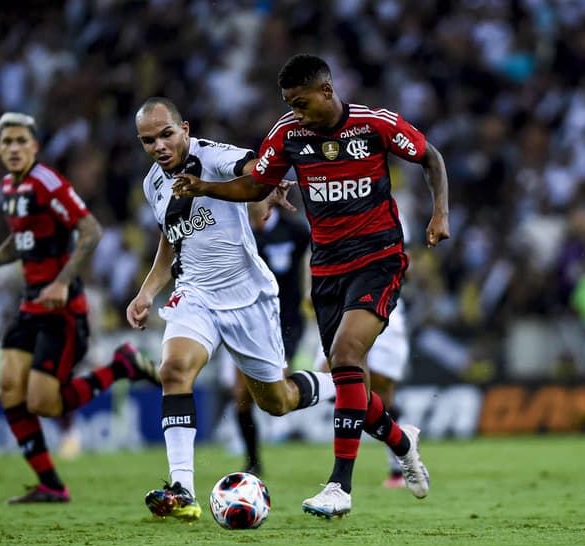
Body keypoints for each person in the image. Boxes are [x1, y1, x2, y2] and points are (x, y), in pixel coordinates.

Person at [173, 53, 450, 518]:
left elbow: (430, 156)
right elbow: (256, 185)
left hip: (378, 260)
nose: (295, 113)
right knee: (350, 380)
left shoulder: (373, 125)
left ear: (327, 91)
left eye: (301, 103)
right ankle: (402, 440)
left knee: (344, 358)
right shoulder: (288, 134)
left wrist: (439, 211)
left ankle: (339, 487)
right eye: (289, 104)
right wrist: (205, 188)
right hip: (326, 271)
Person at [126, 98, 335, 522]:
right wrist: (147, 291)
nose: (159, 146)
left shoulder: (213, 156)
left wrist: (269, 183)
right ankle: (182, 489)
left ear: (184, 128)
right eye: (148, 141)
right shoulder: (153, 184)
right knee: (174, 370)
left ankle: (340, 383)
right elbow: (171, 239)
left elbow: (253, 167)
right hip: (195, 295)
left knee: (276, 402)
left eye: (166, 134)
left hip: (247, 298)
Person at [0, 112, 157, 504]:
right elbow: (20, 243)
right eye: (6, 142)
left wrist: (63, 280)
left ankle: (122, 366)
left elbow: (90, 229)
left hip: (63, 310)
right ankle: (51, 484)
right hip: (30, 303)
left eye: (20, 141)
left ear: (35, 147)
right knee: (9, 389)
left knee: (43, 404)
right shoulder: (11, 189)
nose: (13, 148)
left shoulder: (47, 182)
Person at [225, 199, 311, 476]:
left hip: (285, 322)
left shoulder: (295, 232)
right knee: (241, 395)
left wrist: (312, 293)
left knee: (278, 393)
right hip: (246, 321)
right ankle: (253, 460)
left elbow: (312, 259)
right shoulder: (235, 230)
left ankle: (325, 389)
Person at [315, 301, 410, 487]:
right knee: (333, 378)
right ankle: (402, 442)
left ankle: (398, 465)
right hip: (339, 307)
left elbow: (407, 274)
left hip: (380, 305)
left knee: (382, 392)